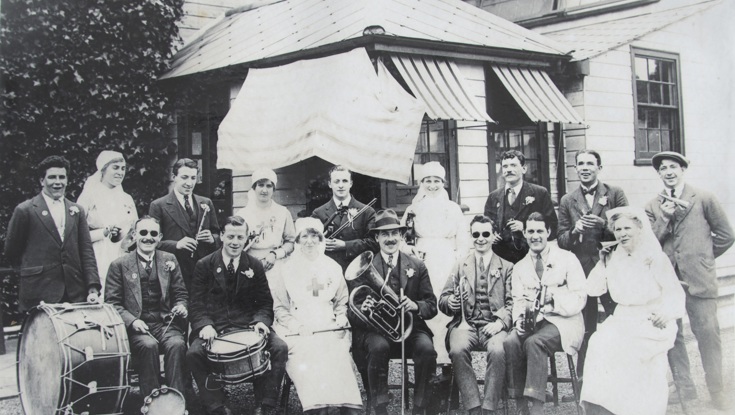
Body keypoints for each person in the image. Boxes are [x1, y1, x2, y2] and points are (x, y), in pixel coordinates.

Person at [644, 151, 734, 410]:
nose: (669, 172)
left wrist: (704, 257)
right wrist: (665, 217)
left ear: (683, 170)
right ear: (659, 174)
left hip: (699, 278)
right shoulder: (653, 206)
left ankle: (717, 391)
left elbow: (726, 235)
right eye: (663, 168)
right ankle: (686, 389)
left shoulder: (704, 198)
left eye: (674, 167)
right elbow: (649, 244)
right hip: (668, 282)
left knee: (708, 334)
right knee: (673, 336)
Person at [580, 207, 685, 415]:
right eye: (618, 229)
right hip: (622, 318)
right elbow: (592, 289)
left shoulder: (655, 257)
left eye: (627, 227)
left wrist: (666, 313)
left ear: (639, 228)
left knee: (626, 352)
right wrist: (602, 263)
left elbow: (674, 293)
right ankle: (603, 408)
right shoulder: (612, 256)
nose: (622, 233)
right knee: (598, 343)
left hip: (651, 319)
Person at [187, 216, 287, 415]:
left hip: (248, 325)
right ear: (221, 236)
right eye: (230, 236)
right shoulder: (204, 265)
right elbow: (196, 304)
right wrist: (205, 325)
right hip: (215, 327)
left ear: (246, 238)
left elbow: (266, 301)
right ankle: (216, 406)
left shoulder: (255, 265)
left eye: (240, 237)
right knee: (194, 354)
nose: (235, 242)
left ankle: (265, 405)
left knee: (279, 348)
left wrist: (261, 322)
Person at [350, 209, 437, 415]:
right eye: (384, 234)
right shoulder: (364, 266)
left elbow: (431, 304)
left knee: (426, 350)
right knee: (377, 348)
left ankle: (419, 406)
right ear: (376, 237)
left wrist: (415, 305)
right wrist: (366, 310)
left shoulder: (417, 264)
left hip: (411, 327)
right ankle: (380, 407)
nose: (390, 239)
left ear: (401, 235)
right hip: (377, 330)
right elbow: (353, 309)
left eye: (394, 233)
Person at [272, 217, 362, 414]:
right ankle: (318, 407)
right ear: (297, 240)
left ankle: (346, 406)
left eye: (315, 236)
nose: (310, 241)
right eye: (305, 236)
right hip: (297, 325)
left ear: (321, 239)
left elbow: (341, 302)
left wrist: (340, 318)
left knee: (337, 351)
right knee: (309, 352)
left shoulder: (332, 267)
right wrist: (296, 326)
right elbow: (280, 308)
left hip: (327, 322)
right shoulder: (286, 269)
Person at [503, 212, 586, 415]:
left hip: (564, 322)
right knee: (511, 341)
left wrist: (553, 300)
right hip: (533, 323)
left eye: (540, 231)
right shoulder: (520, 267)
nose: (535, 236)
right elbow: (518, 300)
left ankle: (537, 409)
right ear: (524, 233)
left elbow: (580, 298)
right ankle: (521, 405)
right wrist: (520, 321)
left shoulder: (568, 259)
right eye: (530, 231)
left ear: (548, 232)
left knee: (534, 343)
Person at [556, 149, 628, 375]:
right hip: (582, 268)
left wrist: (603, 227)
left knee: (616, 316)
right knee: (586, 324)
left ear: (599, 168)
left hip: (611, 265)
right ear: (575, 168)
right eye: (580, 164)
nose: (585, 168)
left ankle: (620, 372)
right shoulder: (568, 200)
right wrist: (575, 230)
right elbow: (561, 240)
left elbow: (629, 229)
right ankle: (584, 377)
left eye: (590, 163)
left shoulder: (615, 194)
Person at [104, 216, 188, 398]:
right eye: (143, 233)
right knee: (148, 346)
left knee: (177, 344)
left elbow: (181, 293)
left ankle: (177, 402)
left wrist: (181, 305)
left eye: (153, 233)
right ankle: (152, 403)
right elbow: (112, 304)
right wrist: (133, 322)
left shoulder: (169, 259)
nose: (148, 237)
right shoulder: (119, 265)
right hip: (137, 329)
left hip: (165, 323)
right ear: (134, 235)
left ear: (160, 237)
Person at [438, 215, 513, 415]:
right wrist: (451, 302)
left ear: (494, 236)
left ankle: (489, 408)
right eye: (476, 234)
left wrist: (501, 322)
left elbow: (513, 302)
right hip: (466, 324)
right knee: (457, 349)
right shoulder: (460, 264)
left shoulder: (507, 267)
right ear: (471, 236)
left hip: (493, 325)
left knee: (498, 350)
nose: (481, 238)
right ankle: (473, 407)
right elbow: (443, 299)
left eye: (486, 234)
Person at [4, 155, 100, 311]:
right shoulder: (25, 210)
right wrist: (33, 273)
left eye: (62, 177)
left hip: (74, 292)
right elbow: (12, 251)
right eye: (52, 177)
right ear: (42, 181)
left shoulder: (76, 211)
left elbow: (86, 250)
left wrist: (92, 286)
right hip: (39, 292)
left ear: (67, 180)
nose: (58, 182)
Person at [401, 161, 470, 364]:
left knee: (446, 301)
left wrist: (459, 259)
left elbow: (463, 238)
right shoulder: (414, 209)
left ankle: (448, 353)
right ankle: (429, 352)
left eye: (437, 181)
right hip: (423, 260)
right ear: (422, 183)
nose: (432, 185)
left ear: (443, 183)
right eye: (428, 181)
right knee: (427, 300)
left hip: (447, 257)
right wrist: (409, 250)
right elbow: (402, 240)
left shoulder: (453, 208)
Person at [149, 158, 220, 290]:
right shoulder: (158, 205)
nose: (189, 183)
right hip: (174, 271)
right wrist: (177, 244)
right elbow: (152, 241)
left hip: (203, 272)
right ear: (174, 177)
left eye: (193, 178)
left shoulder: (206, 203)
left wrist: (212, 239)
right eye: (184, 177)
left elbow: (217, 234)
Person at [77, 150, 138, 296]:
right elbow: (77, 233)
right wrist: (103, 232)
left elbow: (135, 227)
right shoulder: (89, 196)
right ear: (103, 170)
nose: (120, 172)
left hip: (123, 253)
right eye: (115, 168)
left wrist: (130, 239)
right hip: (98, 253)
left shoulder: (126, 198)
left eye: (123, 168)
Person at [483, 150, 557, 264]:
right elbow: (486, 226)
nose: (508, 170)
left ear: (524, 169)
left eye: (513, 165)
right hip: (501, 259)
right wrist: (491, 235)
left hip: (531, 258)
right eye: (505, 166)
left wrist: (525, 228)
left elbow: (553, 228)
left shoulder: (539, 193)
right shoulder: (493, 197)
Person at [234, 168, 295, 288]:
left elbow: (291, 241)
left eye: (268, 186)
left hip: (275, 263)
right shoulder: (242, 214)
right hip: (249, 264)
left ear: (274, 189)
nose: (264, 190)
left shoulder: (282, 212)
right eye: (260, 185)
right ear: (254, 188)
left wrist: (274, 254)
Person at [311, 165, 378, 271]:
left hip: (359, 271)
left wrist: (346, 245)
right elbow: (311, 244)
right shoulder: (318, 213)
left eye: (345, 181)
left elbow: (374, 243)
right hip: (328, 272)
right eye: (336, 181)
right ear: (330, 184)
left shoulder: (367, 211)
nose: (341, 185)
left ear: (351, 183)